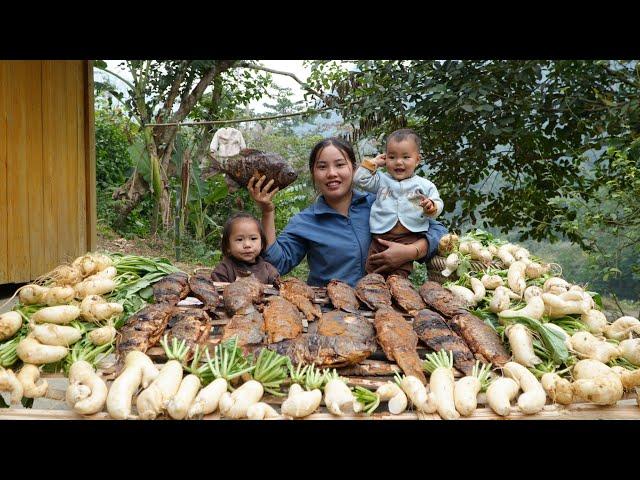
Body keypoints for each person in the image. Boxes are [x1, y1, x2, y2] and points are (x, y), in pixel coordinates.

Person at [247, 137, 448, 288]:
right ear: (314, 174)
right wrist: (267, 212)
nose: (332, 173)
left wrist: (410, 252)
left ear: (353, 169)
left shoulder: (379, 203)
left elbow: (439, 231)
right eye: (322, 167)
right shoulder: (305, 221)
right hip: (330, 311)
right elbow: (276, 264)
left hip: (385, 307)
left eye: (340, 165)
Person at [353, 128, 443, 278]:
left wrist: (431, 208)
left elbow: (437, 204)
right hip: (380, 237)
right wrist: (374, 162)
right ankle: (372, 295)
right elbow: (359, 179)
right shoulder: (381, 180)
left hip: (407, 240)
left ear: (417, 160)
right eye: (392, 157)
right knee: (373, 272)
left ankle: (398, 297)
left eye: (406, 157)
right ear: (385, 158)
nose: (398, 162)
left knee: (399, 276)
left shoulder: (424, 185)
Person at [210, 212, 280, 284]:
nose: (247, 245)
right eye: (240, 239)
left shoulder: (269, 271)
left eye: (253, 238)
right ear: (228, 246)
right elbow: (216, 291)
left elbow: (278, 290)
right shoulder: (223, 270)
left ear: (262, 243)